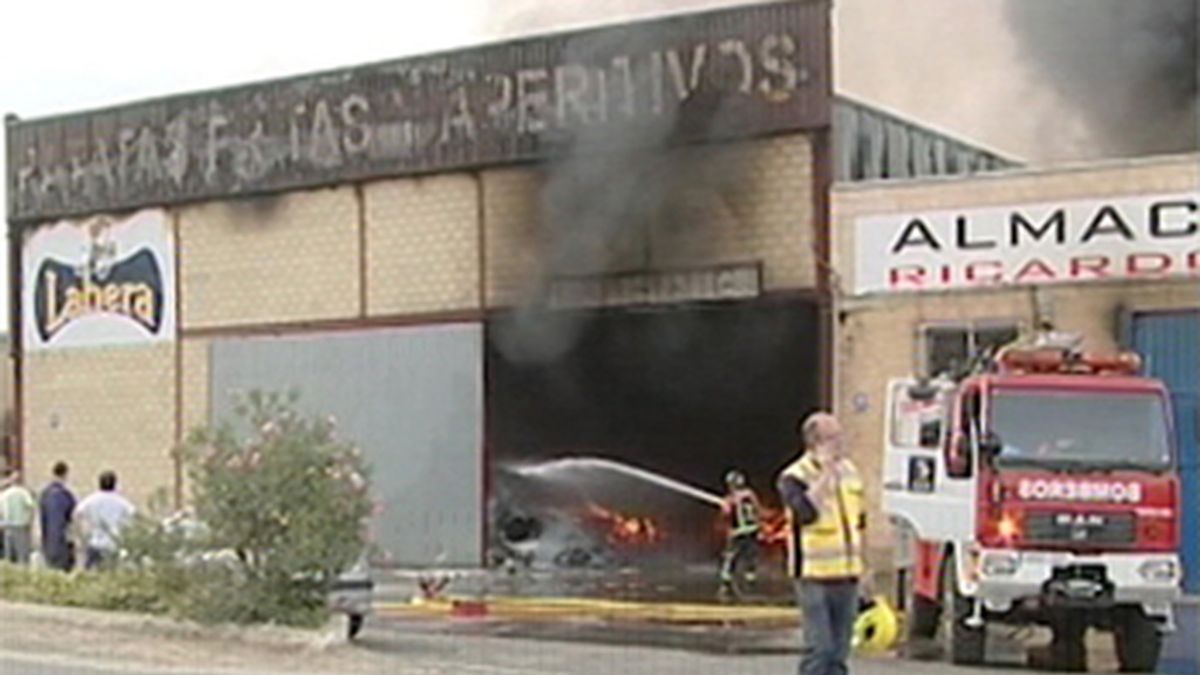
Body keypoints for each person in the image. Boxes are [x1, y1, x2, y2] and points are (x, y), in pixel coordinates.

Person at [778, 412, 868, 675]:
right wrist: (826, 475)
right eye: (833, 438)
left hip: (847, 575)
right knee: (820, 650)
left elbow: (859, 522)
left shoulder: (851, 472)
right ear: (814, 441)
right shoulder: (794, 476)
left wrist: (866, 569)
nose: (841, 443)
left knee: (839, 654)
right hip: (813, 576)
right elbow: (804, 513)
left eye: (841, 436)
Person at [74, 471, 135, 571]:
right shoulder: (120, 501)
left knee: (89, 574)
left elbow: (77, 514)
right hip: (113, 544)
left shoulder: (91, 500)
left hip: (95, 543)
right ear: (115, 484)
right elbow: (133, 515)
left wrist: (81, 536)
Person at [718, 469, 762, 600]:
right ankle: (751, 581)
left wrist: (725, 508)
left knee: (731, 557)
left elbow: (725, 515)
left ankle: (726, 583)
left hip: (738, 532)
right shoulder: (750, 494)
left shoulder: (731, 499)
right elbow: (758, 509)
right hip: (752, 530)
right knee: (751, 556)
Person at [39, 461, 77, 571]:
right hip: (63, 540)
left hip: (47, 540)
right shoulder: (65, 494)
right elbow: (72, 516)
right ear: (65, 474)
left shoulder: (45, 494)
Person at [0, 471, 37, 565]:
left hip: (7, 526)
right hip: (21, 526)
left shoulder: (4, 494)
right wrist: (30, 521)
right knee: (22, 555)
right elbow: (31, 506)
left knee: (9, 555)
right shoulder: (23, 493)